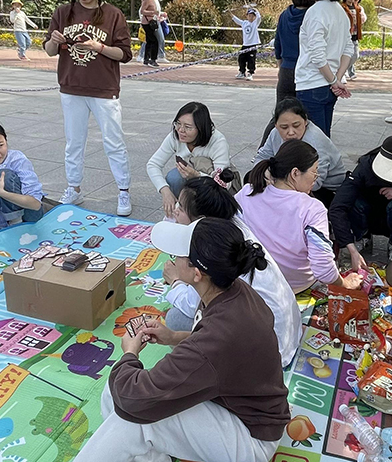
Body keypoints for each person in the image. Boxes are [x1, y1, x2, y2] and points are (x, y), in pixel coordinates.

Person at [0, 218, 289, 462]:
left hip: (250, 440)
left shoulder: (219, 334)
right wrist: (174, 337)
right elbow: (216, 348)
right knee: (116, 392)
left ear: (197, 273)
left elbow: (139, 396)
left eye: (179, 254)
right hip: (238, 410)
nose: (171, 259)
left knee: (131, 415)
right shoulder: (234, 291)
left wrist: (129, 352)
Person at [163, 174, 302, 366]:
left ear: (201, 220)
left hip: (269, 354)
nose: (175, 210)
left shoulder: (210, 251)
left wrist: (176, 281)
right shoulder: (232, 226)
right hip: (286, 333)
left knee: (175, 319)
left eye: (180, 207)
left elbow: (193, 304)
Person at [43, 0, 134, 217]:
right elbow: (49, 50)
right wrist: (55, 40)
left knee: (113, 141)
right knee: (74, 142)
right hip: (71, 87)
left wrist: (100, 47)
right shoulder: (63, 13)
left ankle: (123, 190)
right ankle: (74, 188)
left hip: (104, 89)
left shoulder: (112, 14)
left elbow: (125, 54)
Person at [237, 140, 360, 294]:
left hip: (252, 282)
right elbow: (323, 269)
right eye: (314, 172)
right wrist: (344, 283)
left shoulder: (247, 193)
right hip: (294, 287)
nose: (316, 177)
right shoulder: (312, 209)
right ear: (295, 173)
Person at [329, 134, 392, 270]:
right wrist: (349, 246)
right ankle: (360, 237)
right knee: (353, 202)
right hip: (367, 213)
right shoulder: (365, 167)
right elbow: (338, 207)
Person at [295, 0, 353, 136]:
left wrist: (334, 81)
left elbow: (317, 55)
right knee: (324, 138)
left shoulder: (315, 12)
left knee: (313, 142)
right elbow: (348, 49)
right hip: (329, 86)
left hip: (311, 83)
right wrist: (337, 79)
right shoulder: (341, 12)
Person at [253, 97, 347, 206]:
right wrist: (265, 172)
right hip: (290, 179)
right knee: (254, 179)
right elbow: (262, 156)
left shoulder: (315, 141)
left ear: (305, 121)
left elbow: (315, 182)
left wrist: (278, 181)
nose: (291, 132)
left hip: (324, 190)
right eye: (284, 127)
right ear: (276, 125)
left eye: (296, 125)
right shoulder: (275, 133)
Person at [146, 102, 231, 218]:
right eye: (178, 123)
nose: (181, 130)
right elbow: (153, 164)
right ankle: (180, 214)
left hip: (211, 187)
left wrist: (197, 175)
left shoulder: (217, 141)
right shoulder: (175, 136)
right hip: (188, 180)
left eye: (188, 127)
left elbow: (223, 184)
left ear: (201, 128)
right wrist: (164, 190)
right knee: (174, 178)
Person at [263, 0, 311, 145]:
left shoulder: (285, 14)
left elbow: (278, 44)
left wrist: (280, 67)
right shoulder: (312, 16)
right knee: (303, 119)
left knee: (280, 115)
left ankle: (263, 149)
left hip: (286, 70)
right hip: (305, 73)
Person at [342, 0, 365, 80]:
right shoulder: (342, 7)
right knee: (345, 55)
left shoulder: (357, 8)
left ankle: (342, 70)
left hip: (355, 35)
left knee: (355, 55)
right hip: (346, 35)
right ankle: (342, 73)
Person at [232, 7, 261, 80]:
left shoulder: (255, 23)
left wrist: (255, 9)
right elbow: (236, 20)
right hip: (245, 45)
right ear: (247, 16)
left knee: (251, 60)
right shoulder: (244, 23)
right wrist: (230, 14)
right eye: (249, 15)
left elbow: (259, 17)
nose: (251, 17)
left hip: (252, 45)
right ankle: (242, 72)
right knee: (241, 58)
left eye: (252, 16)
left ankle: (250, 73)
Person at [140, 0, 162, 67]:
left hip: (150, 21)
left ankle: (146, 59)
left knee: (149, 41)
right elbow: (142, 11)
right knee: (154, 41)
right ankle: (153, 59)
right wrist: (153, 12)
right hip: (147, 22)